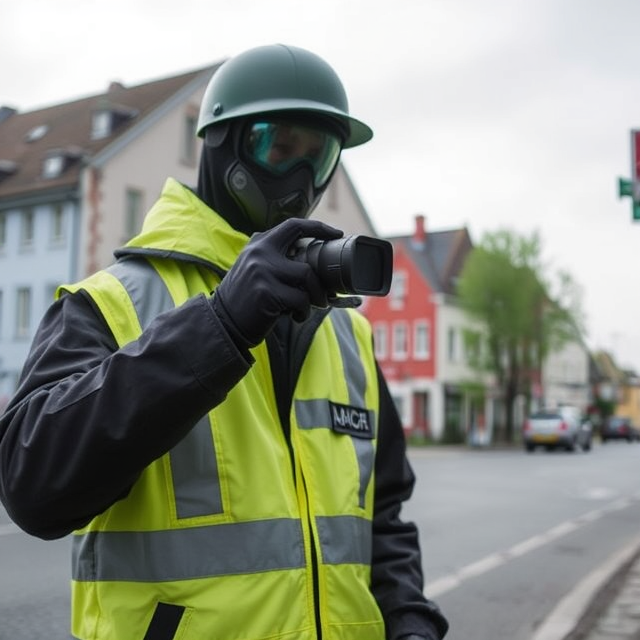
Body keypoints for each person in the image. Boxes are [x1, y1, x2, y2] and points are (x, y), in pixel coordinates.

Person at [0, 44, 449, 640]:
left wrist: (410, 622)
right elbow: (34, 489)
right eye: (280, 147)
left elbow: (382, 518)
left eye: (319, 157)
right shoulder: (109, 303)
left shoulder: (348, 332)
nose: (300, 178)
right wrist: (222, 324)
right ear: (223, 145)